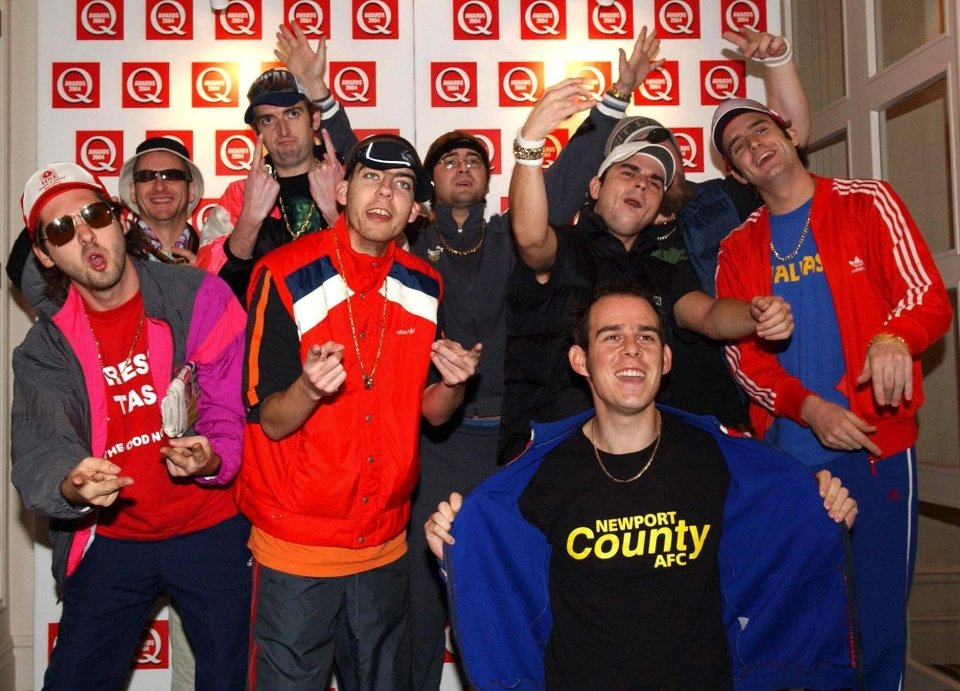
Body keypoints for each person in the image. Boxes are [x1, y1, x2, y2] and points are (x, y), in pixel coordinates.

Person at [425, 283, 860, 690]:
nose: (631, 349)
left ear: (666, 360)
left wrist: (821, 504)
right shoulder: (539, 473)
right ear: (581, 361)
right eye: (611, 337)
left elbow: (789, 538)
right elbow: (498, 577)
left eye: (647, 337)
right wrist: (457, 546)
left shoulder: (721, 457)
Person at [404, 27, 665, 689]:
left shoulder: (509, 237)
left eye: (474, 160)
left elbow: (567, 177)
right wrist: (323, 103)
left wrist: (616, 97)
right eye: (448, 161)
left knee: (518, 582)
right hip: (437, 438)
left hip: (515, 439)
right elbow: (358, 174)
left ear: (492, 179)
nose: (463, 167)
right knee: (422, 589)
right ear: (426, 183)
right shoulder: (405, 244)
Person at [712, 97, 952, 690]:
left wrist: (896, 335)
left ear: (791, 135)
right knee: (799, 624)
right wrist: (808, 408)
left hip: (878, 449)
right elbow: (742, 362)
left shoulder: (868, 201)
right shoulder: (737, 249)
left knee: (877, 623)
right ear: (737, 175)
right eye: (737, 146)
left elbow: (928, 296)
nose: (753, 145)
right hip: (789, 460)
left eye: (760, 130)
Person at [236, 134, 481, 690]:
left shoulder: (424, 283)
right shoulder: (282, 273)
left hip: (385, 541)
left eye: (402, 185)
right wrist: (308, 388)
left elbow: (433, 415)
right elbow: (269, 419)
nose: (385, 193)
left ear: (416, 209)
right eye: (371, 177)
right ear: (343, 189)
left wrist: (454, 384)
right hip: (298, 544)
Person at [11, 162, 250, 690]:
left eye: (94, 214)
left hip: (211, 528)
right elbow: (42, 447)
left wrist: (210, 456)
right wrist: (71, 482)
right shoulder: (44, 350)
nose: (86, 234)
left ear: (122, 220)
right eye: (61, 229)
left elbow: (228, 411)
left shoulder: (199, 296)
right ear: (47, 255)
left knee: (233, 680)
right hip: (113, 538)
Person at [500, 90, 795, 462]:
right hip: (549, 454)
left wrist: (754, 315)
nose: (643, 183)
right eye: (629, 172)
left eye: (656, 181)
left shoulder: (658, 270)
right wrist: (530, 144)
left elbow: (708, 316)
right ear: (595, 188)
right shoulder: (565, 246)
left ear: (659, 205)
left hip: (637, 456)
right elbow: (528, 238)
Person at [197, 23, 358, 300]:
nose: (282, 130)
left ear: (315, 119)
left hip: (345, 337)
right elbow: (210, 294)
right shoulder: (239, 195)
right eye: (268, 120)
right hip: (267, 339)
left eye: (293, 114)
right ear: (257, 131)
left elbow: (384, 275)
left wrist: (335, 214)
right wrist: (249, 220)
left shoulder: (350, 184)